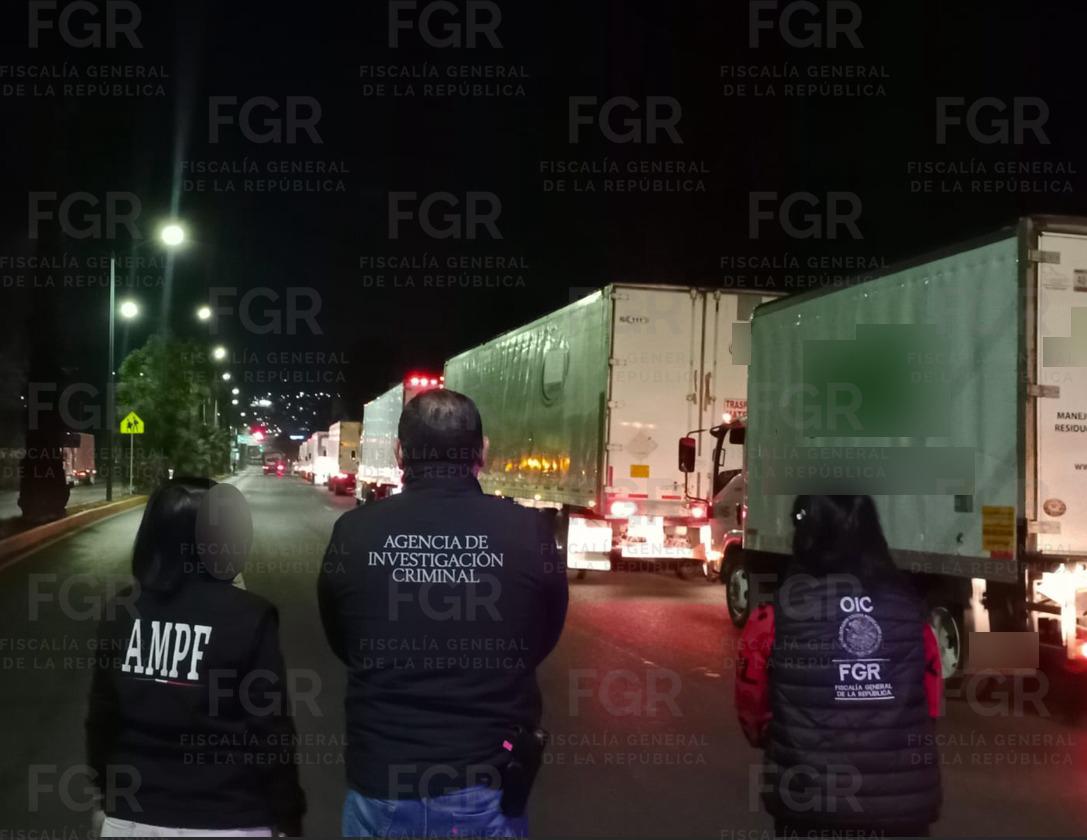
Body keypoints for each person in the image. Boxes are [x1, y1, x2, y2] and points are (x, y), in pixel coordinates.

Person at [319, 388, 568, 838]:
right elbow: (543, 636)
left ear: (399, 453)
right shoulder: (528, 532)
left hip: (381, 781)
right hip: (486, 784)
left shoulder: (354, 532)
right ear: (482, 452)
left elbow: (343, 640)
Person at [86, 477, 306, 837]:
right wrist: (289, 816)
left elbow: (101, 719)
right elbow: (270, 733)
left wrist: (104, 794)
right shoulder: (250, 616)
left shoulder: (121, 611)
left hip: (133, 815)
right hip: (230, 818)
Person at [736, 495, 942, 839]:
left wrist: (770, 737)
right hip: (901, 808)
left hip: (809, 803)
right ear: (875, 535)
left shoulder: (772, 617)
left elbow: (752, 703)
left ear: (805, 537)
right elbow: (931, 704)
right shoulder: (912, 614)